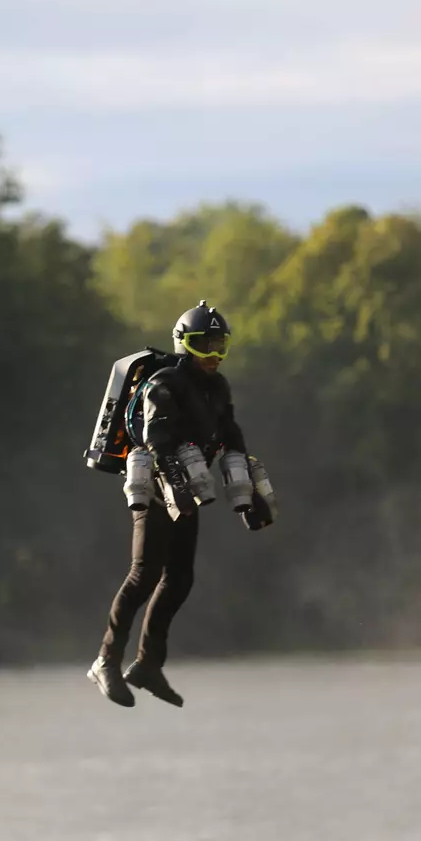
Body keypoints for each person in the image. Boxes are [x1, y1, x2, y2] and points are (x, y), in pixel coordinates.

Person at [87, 300, 273, 708]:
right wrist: (176, 482)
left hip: (189, 486)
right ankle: (106, 661)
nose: (214, 355)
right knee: (144, 575)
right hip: (157, 488)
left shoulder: (218, 388)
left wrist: (249, 498)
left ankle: (148, 665)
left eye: (220, 345)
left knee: (180, 577)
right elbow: (157, 437)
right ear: (185, 344)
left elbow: (231, 438)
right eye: (205, 345)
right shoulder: (165, 383)